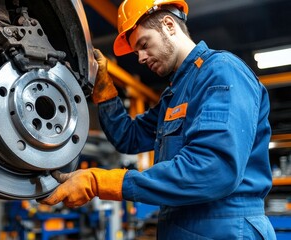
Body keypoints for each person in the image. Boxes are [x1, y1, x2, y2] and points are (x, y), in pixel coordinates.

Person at [40, 0, 276, 238]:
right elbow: (128, 138)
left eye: (144, 44)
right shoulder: (174, 95)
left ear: (169, 25)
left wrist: (99, 182)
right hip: (182, 226)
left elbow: (213, 169)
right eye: (136, 52)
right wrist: (105, 90)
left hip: (225, 228)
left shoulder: (221, 72)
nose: (140, 58)